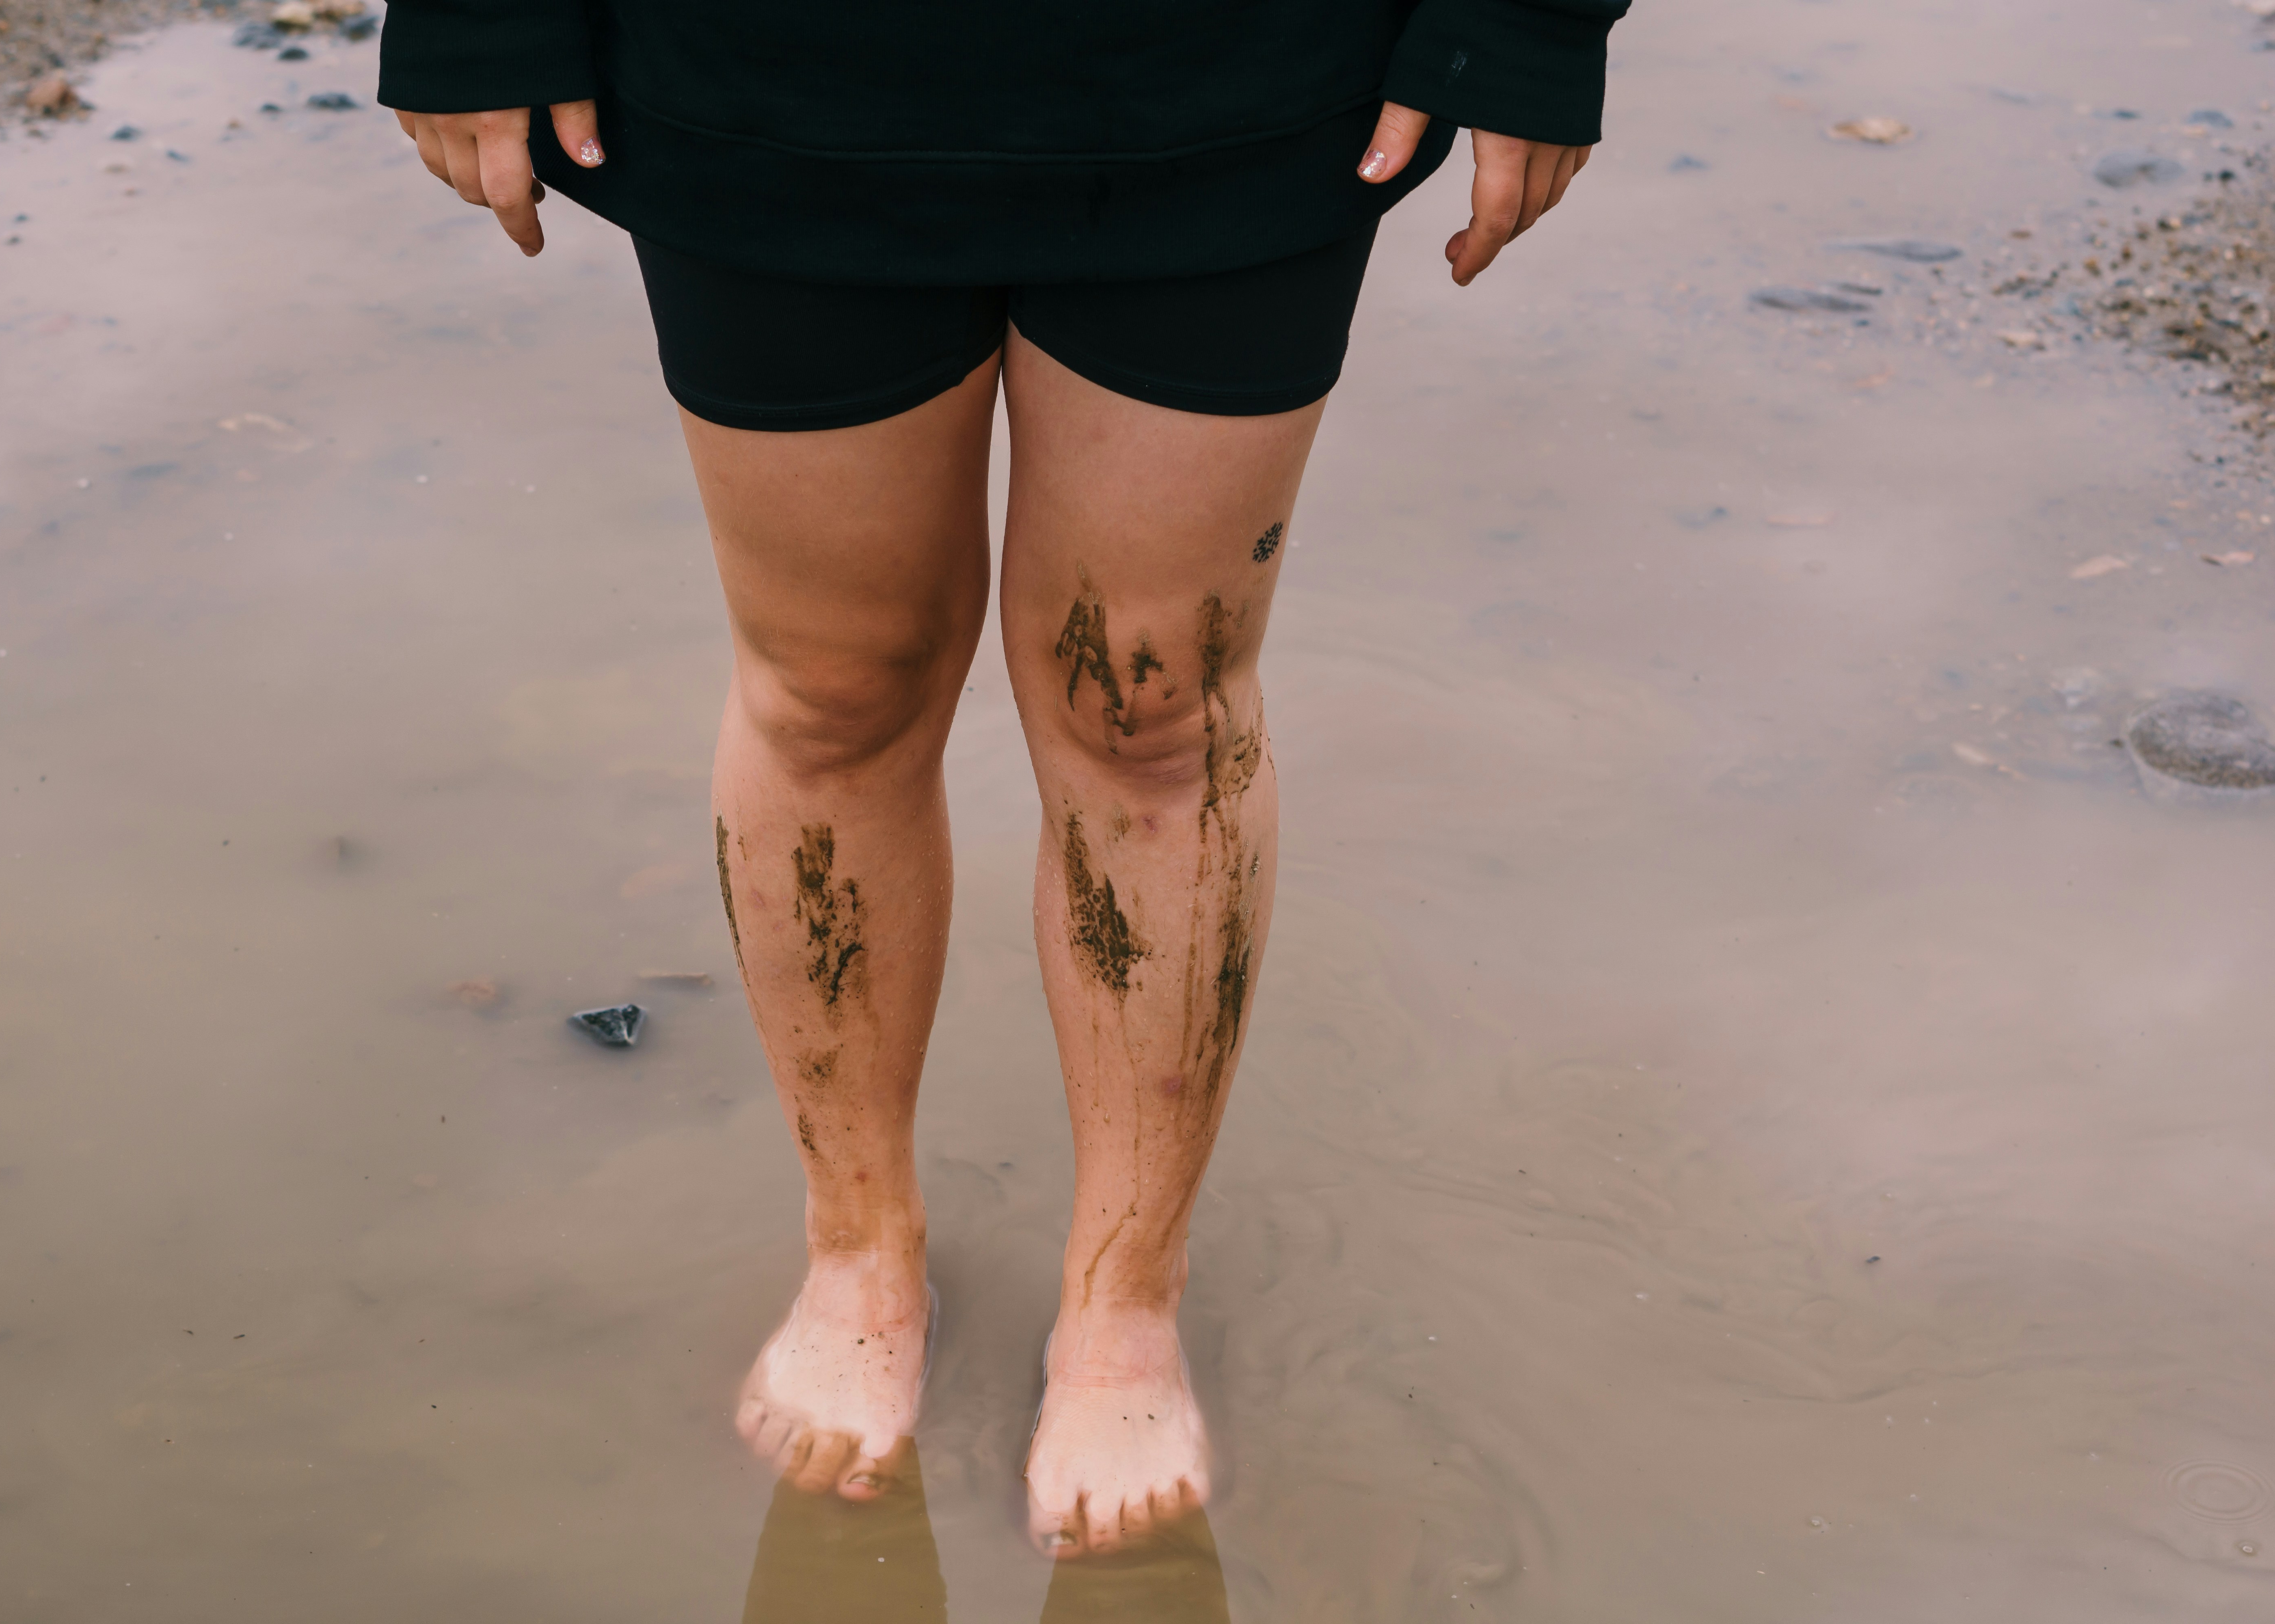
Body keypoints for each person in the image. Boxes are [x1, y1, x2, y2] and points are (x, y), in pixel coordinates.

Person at [378, 0, 1629, 1558]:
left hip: (1238, 69)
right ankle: (858, 1249)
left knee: (1152, 710)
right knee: (833, 692)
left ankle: (1126, 1297)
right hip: (763, 70)